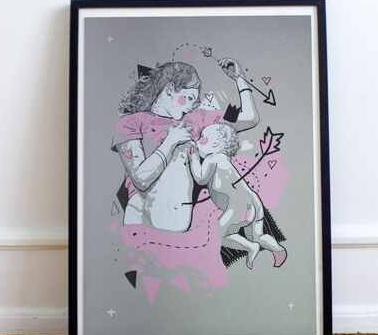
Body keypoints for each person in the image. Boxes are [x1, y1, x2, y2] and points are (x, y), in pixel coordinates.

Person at [112, 59, 260, 232]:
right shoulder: (131, 123)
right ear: (169, 89)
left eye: (194, 101)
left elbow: (250, 118)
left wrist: (240, 78)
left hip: (179, 231)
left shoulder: (198, 118)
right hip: (142, 223)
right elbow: (141, 179)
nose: (191, 106)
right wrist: (171, 141)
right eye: (188, 98)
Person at [188, 123, 288, 269]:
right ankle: (278, 249)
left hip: (237, 205)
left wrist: (194, 159)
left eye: (203, 138)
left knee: (219, 235)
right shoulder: (224, 159)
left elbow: (200, 178)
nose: (198, 141)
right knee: (257, 235)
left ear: (216, 144)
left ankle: (250, 247)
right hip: (254, 201)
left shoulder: (212, 159)